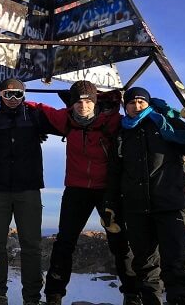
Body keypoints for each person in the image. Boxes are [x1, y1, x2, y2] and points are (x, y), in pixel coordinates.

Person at [33, 80, 142, 305]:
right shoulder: (65, 120)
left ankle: (132, 295)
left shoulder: (112, 122)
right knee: (64, 243)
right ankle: (53, 296)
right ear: (71, 104)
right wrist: (20, 98)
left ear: (95, 102)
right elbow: (42, 108)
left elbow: (141, 121)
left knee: (120, 244)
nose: (83, 105)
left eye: (88, 100)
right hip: (76, 190)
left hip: (108, 191)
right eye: (78, 101)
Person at [105, 87, 185, 305]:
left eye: (140, 102)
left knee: (176, 265)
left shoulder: (166, 124)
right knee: (145, 267)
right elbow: (115, 172)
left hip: (171, 204)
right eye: (131, 103)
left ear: (148, 103)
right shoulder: (121, 133)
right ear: (125, 106)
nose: (136, 106)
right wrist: (111, 206)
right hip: (136, 209)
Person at [0, 78, 56, 305]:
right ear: (0, 95)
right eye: (7, 94)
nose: (13, 99)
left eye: (18, 95)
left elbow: (68, 121)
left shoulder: (34, 117)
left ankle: (32, 298)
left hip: (29, 190)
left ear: (24, 96)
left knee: (31, 245)